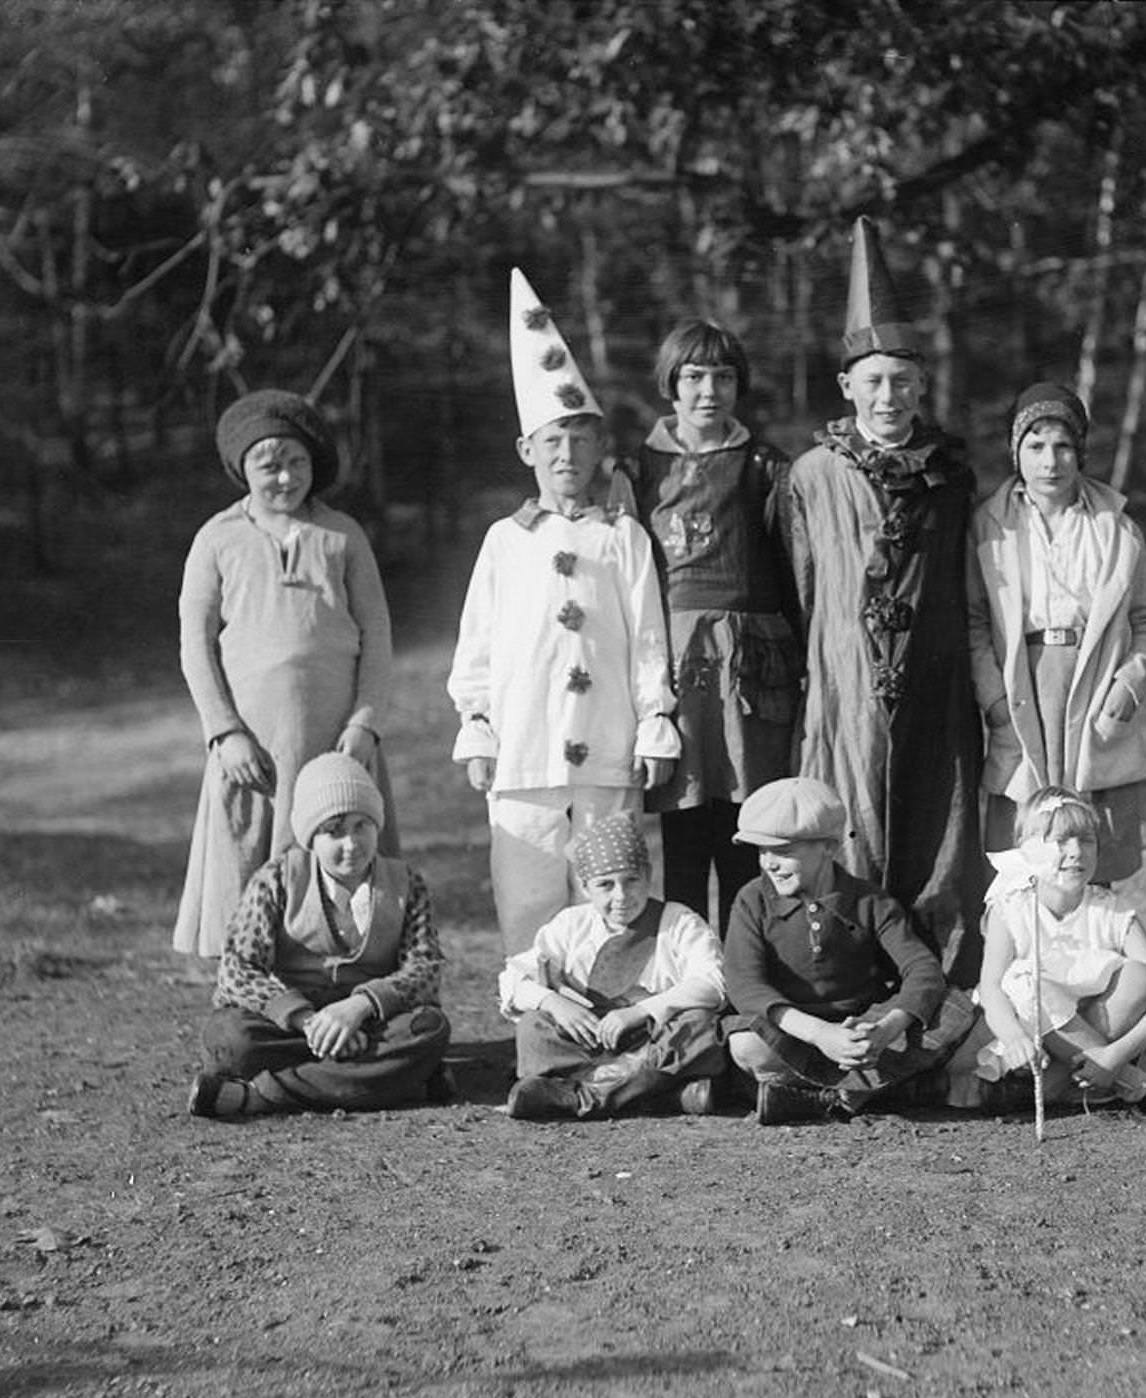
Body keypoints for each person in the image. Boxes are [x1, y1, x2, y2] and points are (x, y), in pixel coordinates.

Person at [448, 268, 679, 958]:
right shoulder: (504, 541)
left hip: (606, 745)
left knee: (608, 884)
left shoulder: (622, 536)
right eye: (551, 442)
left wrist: (654, 720)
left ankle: (609, 1006)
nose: (566, 456)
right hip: (524, 749)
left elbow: (646, 638)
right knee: (527, 888)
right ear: (526, 451)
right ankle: (536, 1020)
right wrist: (479, 725)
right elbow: (478, 646)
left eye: (580, 440)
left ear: (600, 447)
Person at [781, 217, 983, 984]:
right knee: (851, 827)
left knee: (938, 836)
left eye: (902, 380)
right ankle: (852, 987)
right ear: (848, 387)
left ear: (921, 384)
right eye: (874, 381)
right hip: (846, 689)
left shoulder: (951, 475)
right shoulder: (813, 477)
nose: (889, 395)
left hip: (937, 685)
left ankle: (939, 994)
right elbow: (801, 589)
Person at [173, 389, 399, 971]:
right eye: (267, 464)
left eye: (296, 461)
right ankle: (253, 994)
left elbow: (377, 635)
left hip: (335, 743)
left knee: (338, 854)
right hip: (256, 749)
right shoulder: (217, 539)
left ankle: (340, 983)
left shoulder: (343, 536)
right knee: (250, 867)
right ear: (242, 469)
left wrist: (365, 724)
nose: (284, 477)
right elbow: (195, 647)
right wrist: (226, 734)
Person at [623, 318, 801, 933]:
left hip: (751, 665)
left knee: (744, 828)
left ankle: (746, 965)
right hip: (674, 665)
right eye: (694, 377)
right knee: (684, 831)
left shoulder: (764, 466)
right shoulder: (639, 470)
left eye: (723, 377)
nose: (709, 391)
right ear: (670, 384)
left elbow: (792, 567)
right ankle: (690, 974)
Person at [967, 382, 1146, 880]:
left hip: (1093, 682)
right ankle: (1026, 952)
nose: (1049, 462)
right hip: (1023, 689)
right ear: (1017, 453)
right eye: (1035, 447)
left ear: (1080, 452)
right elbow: (973, 622)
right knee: (1023, 841)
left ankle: (1092, 948)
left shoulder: (1115, 529)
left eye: (1062, 447)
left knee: (1091, 838)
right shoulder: (990, 527)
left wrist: (1130, 685)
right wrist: (993, 699)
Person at [188, 753, 449, 1118]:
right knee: (229, 1038)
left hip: (370, 1023)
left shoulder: (406, 883)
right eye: (334, 830)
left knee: (428, 1029)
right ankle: (383, 1080)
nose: (351, 843)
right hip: (293, 1026)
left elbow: (425, 968)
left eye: (362, 826)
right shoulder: (277, 879)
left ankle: (263, 1095)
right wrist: (310, 1022)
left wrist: (356, 1009)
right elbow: (238, 969)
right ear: (310, 837)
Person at [722, 776, 975, 1126]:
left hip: (861, 1030)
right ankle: (877, 1094)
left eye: (782, 850)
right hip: (793, 1030)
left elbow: (922, 969)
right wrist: (819, 1034)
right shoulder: (752, 900)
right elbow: (744, 984)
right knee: (747, 1045)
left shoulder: (870, 901)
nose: (769, 863)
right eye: (762, 851)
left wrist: (884, 1029)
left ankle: (815, 1098)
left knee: (953, 1009)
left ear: (829, 846)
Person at [958, 787, 1146, 1127]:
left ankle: (1083, 1081)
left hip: (1103, 1038)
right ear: (1026, 847)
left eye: (1087, 840)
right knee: (1022, 980)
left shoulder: (1110, 910)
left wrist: (1112, 1057)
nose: (1076, 852)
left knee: (1142, 975)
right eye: (1061, 841)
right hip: (1032, 1048)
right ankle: (1141, 1088)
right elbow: (990, 987)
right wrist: (1013, 1036)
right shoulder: (1012, 909)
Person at [497, 813, 727, 1120]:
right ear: (584, 886)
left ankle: (582, 1096)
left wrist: (640, 1012)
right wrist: (554, 1002)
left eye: (631, 880)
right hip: (588, 1045)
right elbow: (513, 979)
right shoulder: (571, 924)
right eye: (605, 885)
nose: (621, 896)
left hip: (650, 1042)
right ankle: (658, 1096)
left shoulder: (678, 921)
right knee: (533, 1026)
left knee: (700, 1025)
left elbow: (714, 981)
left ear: (648, 874)